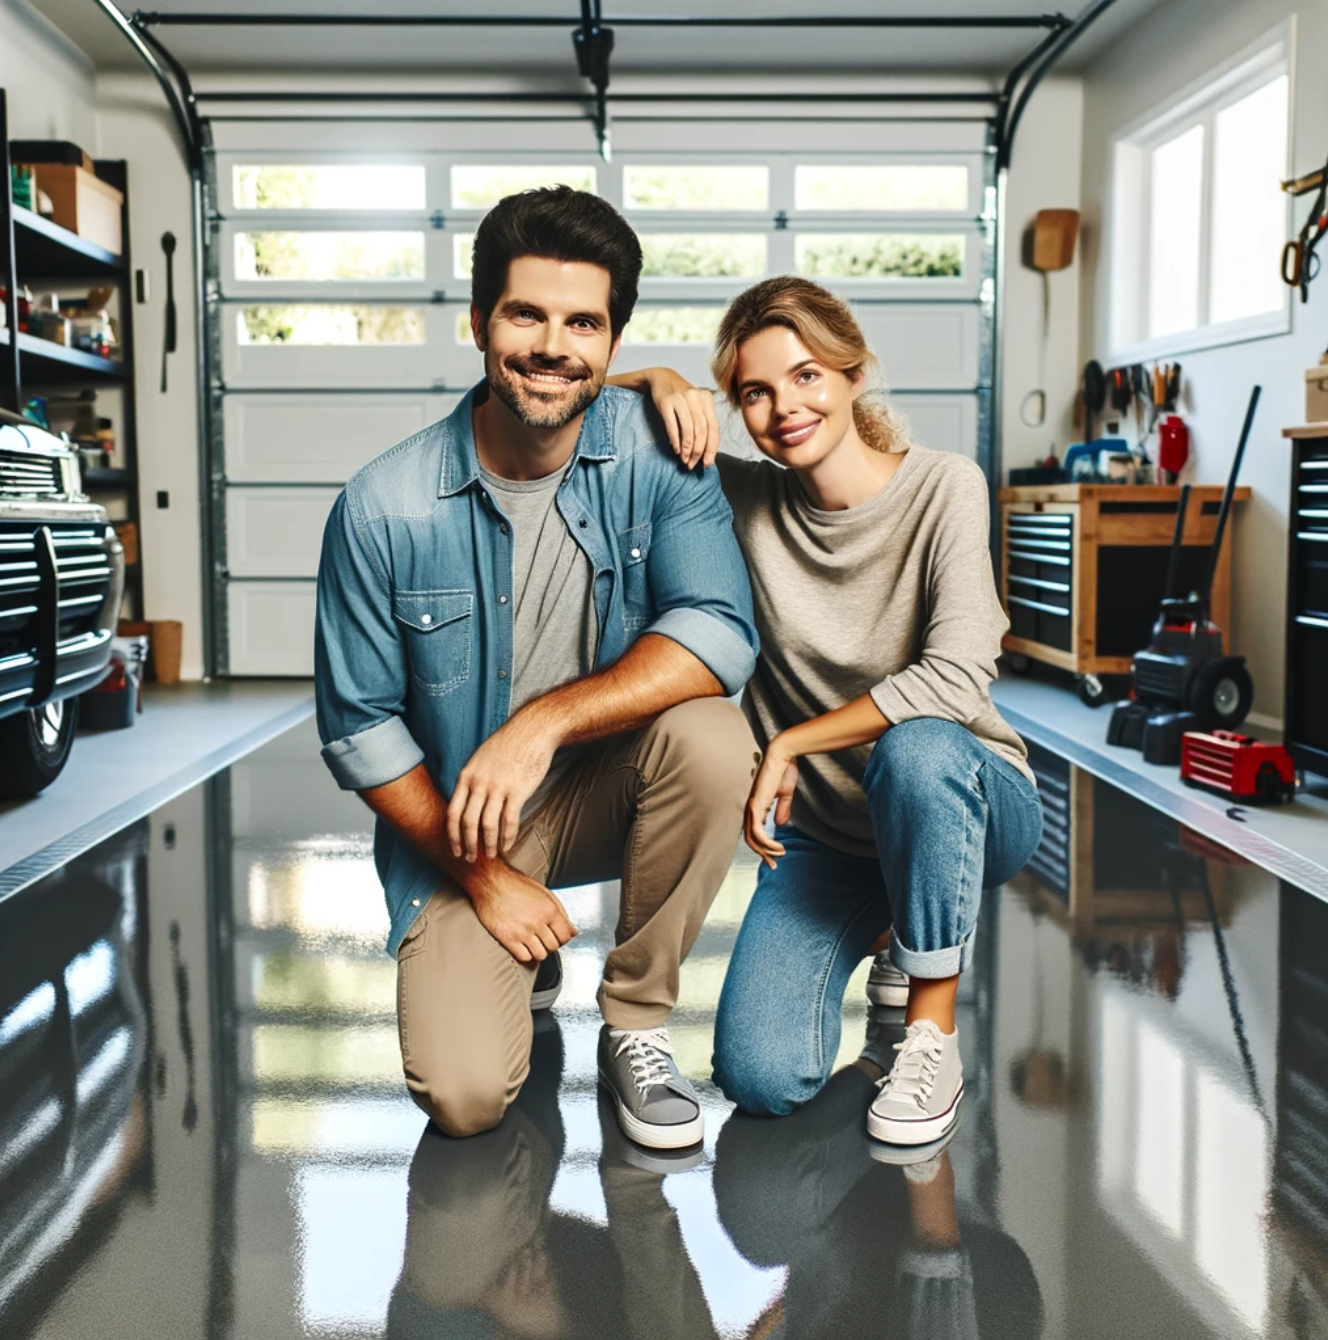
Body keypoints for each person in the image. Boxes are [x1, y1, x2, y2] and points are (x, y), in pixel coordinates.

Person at [314, 186, 760, 1150]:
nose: (553, 345)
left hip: (608, 785)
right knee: (466, 1100)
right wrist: (482, 877)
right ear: (478, 322)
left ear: (611, 342)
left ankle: (637, 1024)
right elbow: (358, 729)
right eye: (526, 314)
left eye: (583, 323)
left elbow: (720, 629)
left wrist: (541, 725)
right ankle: (523, 950)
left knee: (717, 740)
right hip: (467, 823)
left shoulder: (659, 452)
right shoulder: (382, 507)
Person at [610, 276, 1042, 1145]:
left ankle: (931, 1029)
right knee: (760, 1079)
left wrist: (793, 742)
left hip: (971, 797)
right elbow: (586, 401)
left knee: (919, 751)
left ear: (852, 374)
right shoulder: (739, 499)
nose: (784, 408)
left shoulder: (945, 487)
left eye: (806, 376)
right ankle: (893, 914)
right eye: (755, 393)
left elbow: (955, 677)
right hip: (830, 839)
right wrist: (660, 380)